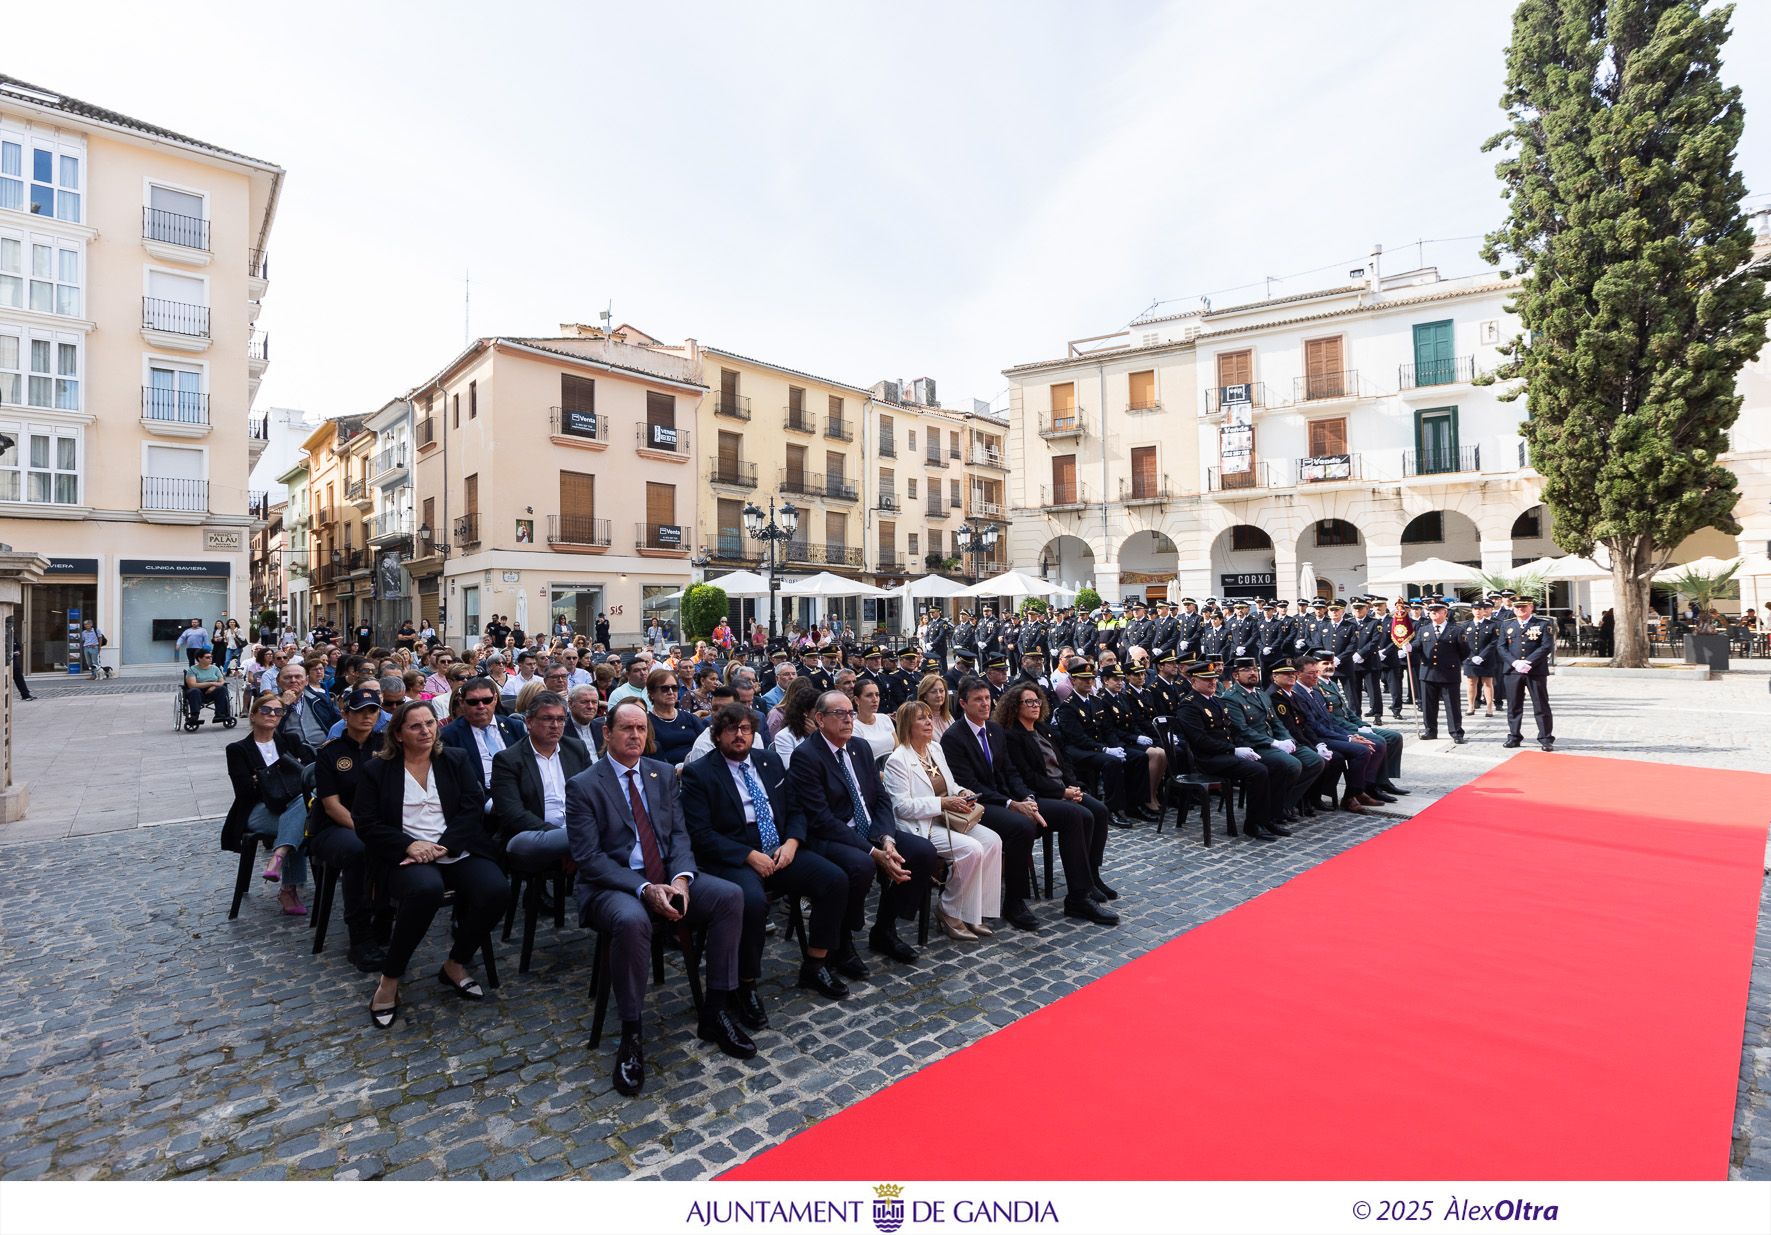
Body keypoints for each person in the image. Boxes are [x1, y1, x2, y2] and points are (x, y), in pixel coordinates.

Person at [567, 698, 754, 1095]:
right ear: (607, 733)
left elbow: (679, 835)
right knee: (633, 920)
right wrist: (644, 888)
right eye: (626, 729)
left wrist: (683, 878)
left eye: (641, 729)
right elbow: (589, 859)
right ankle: (631, 1032)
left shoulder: (662, 773)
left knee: (729, 896)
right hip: (614, 885)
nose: (635, 736)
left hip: (669, 877)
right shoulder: (585, 785)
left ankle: (716, 1009)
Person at [681, 704, 852, 1026]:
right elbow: (700, 834)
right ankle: (746, 986)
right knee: (752, 902)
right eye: (731, 729)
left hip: (780, 848)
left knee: (834, 879)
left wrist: (792, 843)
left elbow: (797, 809)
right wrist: (747, 856)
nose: (739, 735)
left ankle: (815, 965)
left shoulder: (769, 761)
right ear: (718, 735)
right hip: (734, 855)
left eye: (746, 728)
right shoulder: (700, 772)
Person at [353, 699, 508, 1029]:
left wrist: (446, 845)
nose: (425, 730)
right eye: (415, 726)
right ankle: (390, 979)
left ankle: (456, 962)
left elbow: (471, 805)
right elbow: (366, 823)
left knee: (496, 889)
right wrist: (411, 844)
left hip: (455, 848)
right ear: (398, 734)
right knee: (426, 890)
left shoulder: (454, 758)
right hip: (406, 856)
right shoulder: (376, 771)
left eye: (430, 723)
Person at [792, 689, 939, 966]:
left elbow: (881, 798)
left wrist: (887, 840)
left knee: (922, 852)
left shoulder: (860, 747)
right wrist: (874, 852)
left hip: (871, 829)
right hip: (831, 835)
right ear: (820, 719)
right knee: (861, 865)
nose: (848, 719)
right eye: (840, 714)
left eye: (850, 713)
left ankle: (885, 928)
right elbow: (821, 818)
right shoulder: (807, 756)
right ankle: (842, 939)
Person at [994, 682, 1118, 922]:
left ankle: (1091, 876)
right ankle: (1078, 897)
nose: (1035, 705)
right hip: (1037, 795)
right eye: (1028, 702)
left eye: (1037, 700)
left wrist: (1073, 787)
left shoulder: (1043, 730)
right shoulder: (1012, 735)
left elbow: (1064, 763)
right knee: (1079, 815)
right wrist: (1063, 792)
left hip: (1063, 789)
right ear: (1014, 706)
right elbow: (1027, 776)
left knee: (1099, 810)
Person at [883, 700, 1003, 942]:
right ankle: (948, 910)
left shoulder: (935, 749)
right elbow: (901, 807)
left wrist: (961, 793)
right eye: (921, 718)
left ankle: (973, 911)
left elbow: (950, 785)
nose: (929, 722)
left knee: (992, 840)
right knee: (971, 849)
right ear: (907, 724)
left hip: (948, 818)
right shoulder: (898, 760)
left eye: (929, 717)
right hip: (922, 825)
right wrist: (942, 803)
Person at [312, 687, 393, 973]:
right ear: (345, 714)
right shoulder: (330, 752)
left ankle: (385, 915)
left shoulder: (386, 746)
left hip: (376, 825)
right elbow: (332, 805)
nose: (367, 716)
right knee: (360, 850)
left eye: (372, 710)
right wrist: (366, 830)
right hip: (336, 827)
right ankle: (359, 937)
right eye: (359, 711)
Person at [221, 690, 315, 917]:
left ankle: (279, 857)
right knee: (303, 822)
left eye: (277, 711)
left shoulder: (289, 740)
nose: (272, 714)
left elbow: (309, 774)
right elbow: (244, 791)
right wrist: (277, 780)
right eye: (265, 710)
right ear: (253, 715)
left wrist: (264, 778)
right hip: (258, 810)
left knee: (302, 810)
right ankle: (287, 889)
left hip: (293, 806)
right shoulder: (238, 749)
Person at [1175, 663, 1282, 841]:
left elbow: (1230, 730)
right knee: (1258, 770)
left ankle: (1266, 818)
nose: (1212, 682)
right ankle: (1253, 825)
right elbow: (1200, 740)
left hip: (1224, 753)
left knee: (1274, 764)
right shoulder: (1189, 706)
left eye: (1214, 679)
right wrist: (1234, 750)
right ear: (1194, 681)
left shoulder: (1216, 700)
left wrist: (1243, 747)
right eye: (1207, 679)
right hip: (1206, 759)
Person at [492, 689, 594, 871]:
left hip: (577, 827)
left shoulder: (576, 749)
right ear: (529, 722)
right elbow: (513, 814)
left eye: (561, 719)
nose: (555, 725)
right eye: (547, 719)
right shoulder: (508, 759)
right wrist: (561, 835)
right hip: (536, 834)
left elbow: (592, 795)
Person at [1218, 656, 1323, 823]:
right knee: (1291, 764)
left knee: (1315, 760)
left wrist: (1287, 740)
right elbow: (1243, 730)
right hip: (1254, 745)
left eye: (1254, 669)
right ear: (1236, 675)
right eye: (1246, 670)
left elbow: (1275, 722)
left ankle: (1284, 804)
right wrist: (1274, 743)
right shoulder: (1231, 697)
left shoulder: (1261, 694)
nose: (1252, 673)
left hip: (1274, 741)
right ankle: (1274, 810)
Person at [440, 676, 528, 791]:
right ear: (462, 702)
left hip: (521, 791)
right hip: (484, 799)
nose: (481, 706)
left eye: (487, 700)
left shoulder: (514, 727)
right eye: (473, 702)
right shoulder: (449, 736)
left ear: (495, 699)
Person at [1499, 596, 1555, 751]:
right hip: (1513, 670)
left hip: (1535, 670)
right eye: (1517, 607)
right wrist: (1515, 662)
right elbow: (1501, 647)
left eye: (1524, 606)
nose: (1520, 609)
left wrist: (1528, 662)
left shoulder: (1543, 624)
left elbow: (1546, 646)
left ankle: (1545, 738)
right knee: (1514, 705)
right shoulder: (1507, 625)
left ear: (1531, 607)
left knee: (1540, 704)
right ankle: (1514, 736)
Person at [1415, 599, 1469, 742]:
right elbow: (1417, 646)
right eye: (1432, 611)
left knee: (1452, 706)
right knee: (1428, 706)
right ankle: (1430, 730)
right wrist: (1407, 648)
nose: (1434, 613)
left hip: (1448, 674)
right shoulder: (1423, 630)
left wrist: (1452, 662)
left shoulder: (1456, 630)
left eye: (1438, 611)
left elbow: (1464, 651)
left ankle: (1456, 732)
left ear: (1445, 612)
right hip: (1428, 673)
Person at [644, 667, 705, 765]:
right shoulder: (646, 723)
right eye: (664, 688)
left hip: (696, 769)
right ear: (651, 693)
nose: (671, 692)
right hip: (665, 773)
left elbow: (706, 745)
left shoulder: (690, 718)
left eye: (674, 688)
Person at [276, 662, 341, 748]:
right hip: (291, 753)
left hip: (325, 749)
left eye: (298, 677)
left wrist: (334, 739)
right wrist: (284, 705)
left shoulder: (321, 699)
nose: (293, 680)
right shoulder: (269, 704)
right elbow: (268, 730)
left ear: (306, 681)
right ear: (278, 682)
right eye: (287, 677)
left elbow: (340, 722)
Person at [771, 677, 822, 765]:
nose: (821, 716)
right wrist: (814, 738)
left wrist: (817, 735)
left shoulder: (823, 731)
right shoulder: (784, 736)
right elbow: (791, 768)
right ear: (805, 712)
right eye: (817, 711)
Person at [1465, 598, 1501, 718]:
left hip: (1487, 659)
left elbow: (1494, 642)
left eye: (1480, 609)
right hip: (1470, 659)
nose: (1478, 611)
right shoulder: (1466, 625)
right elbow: (1463, 643)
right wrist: (1471, 656)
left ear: (1483, 610)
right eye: (1475, 609)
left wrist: (1482, 656)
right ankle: (1471, 706)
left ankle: (1489, 707)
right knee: (1471, 682)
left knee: (1487, 683)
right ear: (1472, 610)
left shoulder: (1492, 625)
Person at [182, 648, 232, 729]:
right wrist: (211, 683)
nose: (210, 659)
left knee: (222, 689)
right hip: (198, 692)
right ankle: (194, 716)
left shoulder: (215, 668)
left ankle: (220, 714)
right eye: (207, 657)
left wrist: (214, 686)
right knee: (194, 691)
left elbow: (222, 681)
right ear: (199, 658)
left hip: (213, 691)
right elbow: (192, 685)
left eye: (211, 657)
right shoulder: (192, 669)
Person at [850, 677, 895, 760]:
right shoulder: (854, 727)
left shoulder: (885, 718)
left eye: (877, 695)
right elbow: (861, 761)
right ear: (857, 700)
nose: (875, 699)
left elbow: (898, 748)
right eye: (869, 695)